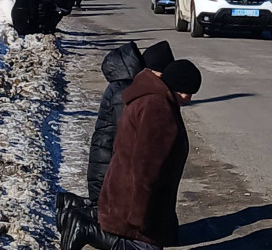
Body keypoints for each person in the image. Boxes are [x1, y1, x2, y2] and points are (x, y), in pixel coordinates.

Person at [58, 42, 176, 243]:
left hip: (105, 163)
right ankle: (75, 218)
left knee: (104, 211)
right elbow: (129, 141)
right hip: (108, 168)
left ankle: (66, 208)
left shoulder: (126, 85)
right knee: (111, 219)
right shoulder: (130, 91)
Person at [79, 60, 201, 250]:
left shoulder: (149, 98)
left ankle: (86, 229)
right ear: (176, 86)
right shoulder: (158, 108)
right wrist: (139, 216)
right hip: (135, 200)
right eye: (187, 91)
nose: (189, 98)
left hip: (125, 191)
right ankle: (86, 231)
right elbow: (146, 167)